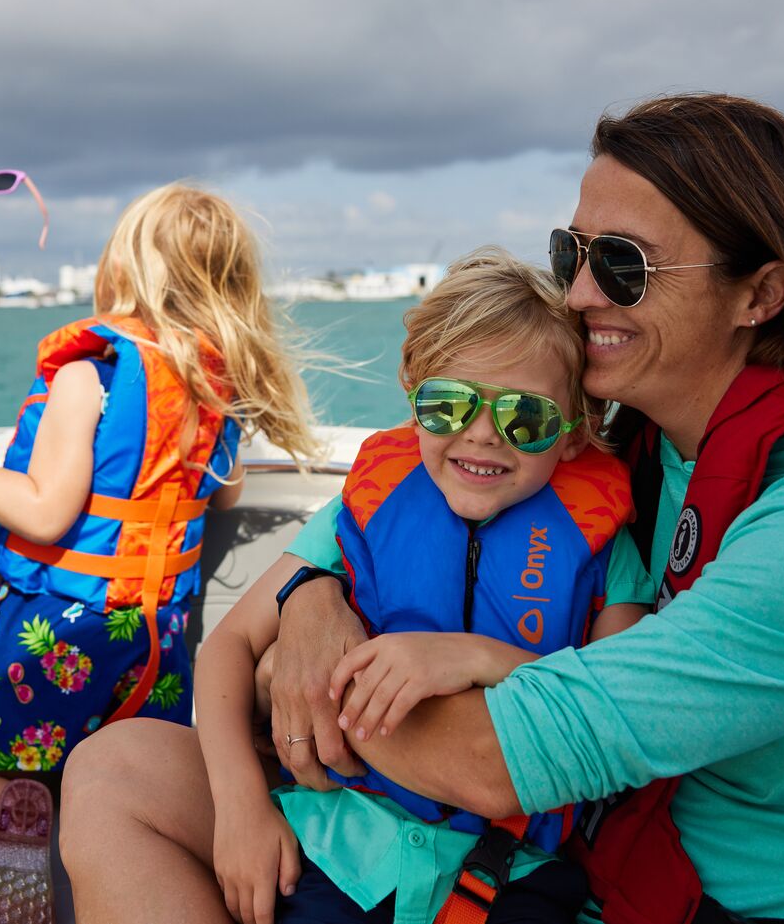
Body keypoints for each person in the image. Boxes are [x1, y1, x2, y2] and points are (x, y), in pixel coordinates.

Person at [61, 93, 784, 924]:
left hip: (674, 894)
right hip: (539, 842)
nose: (581, 293)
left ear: (762, 292)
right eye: (572, 254)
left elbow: (493, 760)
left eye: (623, 266)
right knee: (112, 770)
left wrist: (299, 676)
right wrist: (312, 595)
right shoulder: (645, 448)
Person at [196, 250, 647, 924]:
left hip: (512, 869)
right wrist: (240, 808)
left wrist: (471, 655)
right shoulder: (362, 513)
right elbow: (226, 647)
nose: (484, 434)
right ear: (414, 396)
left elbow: (621, 714)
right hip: (340, 850)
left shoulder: (606, 555)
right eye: (449, 405)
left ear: (576, 431)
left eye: (526, 418)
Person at [0, 183, 325, 912]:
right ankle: (99, 835)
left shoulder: (92, 373)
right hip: (153, 648)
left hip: (57, 633)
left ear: (123, 268)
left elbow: (43, 513)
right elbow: (219, 495)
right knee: (116, 769)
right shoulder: (217, 387)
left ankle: (28, 844)